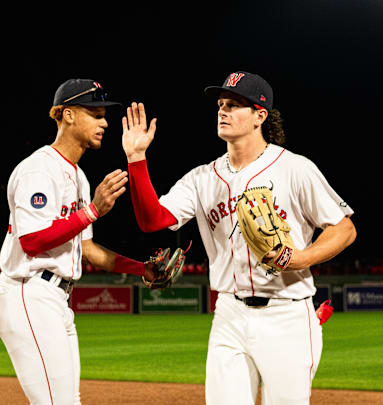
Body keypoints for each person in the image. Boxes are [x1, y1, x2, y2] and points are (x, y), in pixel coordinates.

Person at [121, 71, 357, 405]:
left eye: (234, 104)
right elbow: (152, 220)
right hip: (229, 314)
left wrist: (301, 259)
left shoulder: (294, 168)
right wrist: (136, 159)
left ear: (260, 115)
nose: (223, 110)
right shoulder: (202, 178)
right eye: (220, 104)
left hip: (286, 313)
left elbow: (344, 228)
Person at [0, 79, 157, 405]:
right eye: (95, 114)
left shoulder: (78, 175)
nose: (104, 122)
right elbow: (32, 242)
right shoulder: (39, 170)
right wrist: (93, 210)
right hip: (27, 291)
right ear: (67, 115)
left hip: (56, 300)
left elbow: (88, 249)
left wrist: (142, 269)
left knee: (68, 400)